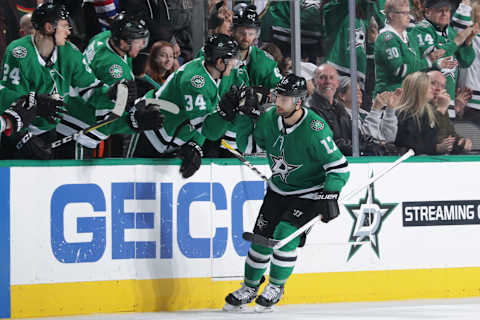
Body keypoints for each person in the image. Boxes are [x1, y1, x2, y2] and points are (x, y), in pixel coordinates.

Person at [224, 74, 349, 312]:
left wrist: (330, 194)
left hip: (309, 194)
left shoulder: (315, 128)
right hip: (278, 189)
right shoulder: (270, 118)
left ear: (299, 101)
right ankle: (250, 286)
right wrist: (244, 118)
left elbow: (339, 168)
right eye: (277, 95)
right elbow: (248, 147)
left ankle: (275, 286)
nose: (278, 101)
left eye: (285, 98)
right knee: (260, 239)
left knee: (283, 235)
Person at [0, 3, 134, 159]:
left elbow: (89, 90)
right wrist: (22, 137)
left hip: (47, 131)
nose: (68, 32)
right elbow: (10, 99)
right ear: (49, 27)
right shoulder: (19, 52)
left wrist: (110, 93)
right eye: (64, 26)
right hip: (15, 130)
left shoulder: (70, 53)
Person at [127, 33, 250, 178]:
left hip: (173, 139)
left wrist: (195, 144)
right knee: (133, 181)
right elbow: (207, 129)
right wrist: (225, 114)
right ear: (219, 62)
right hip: (150, 134)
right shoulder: (195, 82)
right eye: (231, 60)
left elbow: (202, 122)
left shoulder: (216, 75)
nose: (235, 64)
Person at [55, 13, 162, 159]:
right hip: (80, 129)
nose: (143, 45)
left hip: (71, 110)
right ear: (124, 43)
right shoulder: (115, 71)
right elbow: (106, 121)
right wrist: (133, 122)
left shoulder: (104, 37)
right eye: (139, 41)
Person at [411, 0, 478, 119]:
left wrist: (467, 43)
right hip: (426, 103)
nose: (444, 14)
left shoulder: (450, 32)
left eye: (447, 11)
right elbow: (431, 60)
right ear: (427, 12)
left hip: (449, 104)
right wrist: (456, 42)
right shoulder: (421, 29)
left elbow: (466, 61)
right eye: (439, 10)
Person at [374, 0, 447, 96]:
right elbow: (400, 70)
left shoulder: (410, 37)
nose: (409, 16)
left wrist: (437, 65)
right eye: (404, 13)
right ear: (391, 15)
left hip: (407, 98)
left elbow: (417, 66)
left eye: (409, 13)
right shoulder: (387, 38)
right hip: (388, 98)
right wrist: (428, 60)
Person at [394, 72, 453, 155]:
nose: (434, 88)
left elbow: (444, 138)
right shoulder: (405, 114)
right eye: (430, 85)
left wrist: (459, 143)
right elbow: (409, 145)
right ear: (419, 89)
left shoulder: (429, 110)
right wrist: (436, 148)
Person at [429, 70, 472, 153]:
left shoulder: (440, 105)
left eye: (442, 86)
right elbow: (425, 143)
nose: (438, 89)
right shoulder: (417, 108)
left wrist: (461, 141)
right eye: (433, 83)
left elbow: (450, 133)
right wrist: (440, 111)